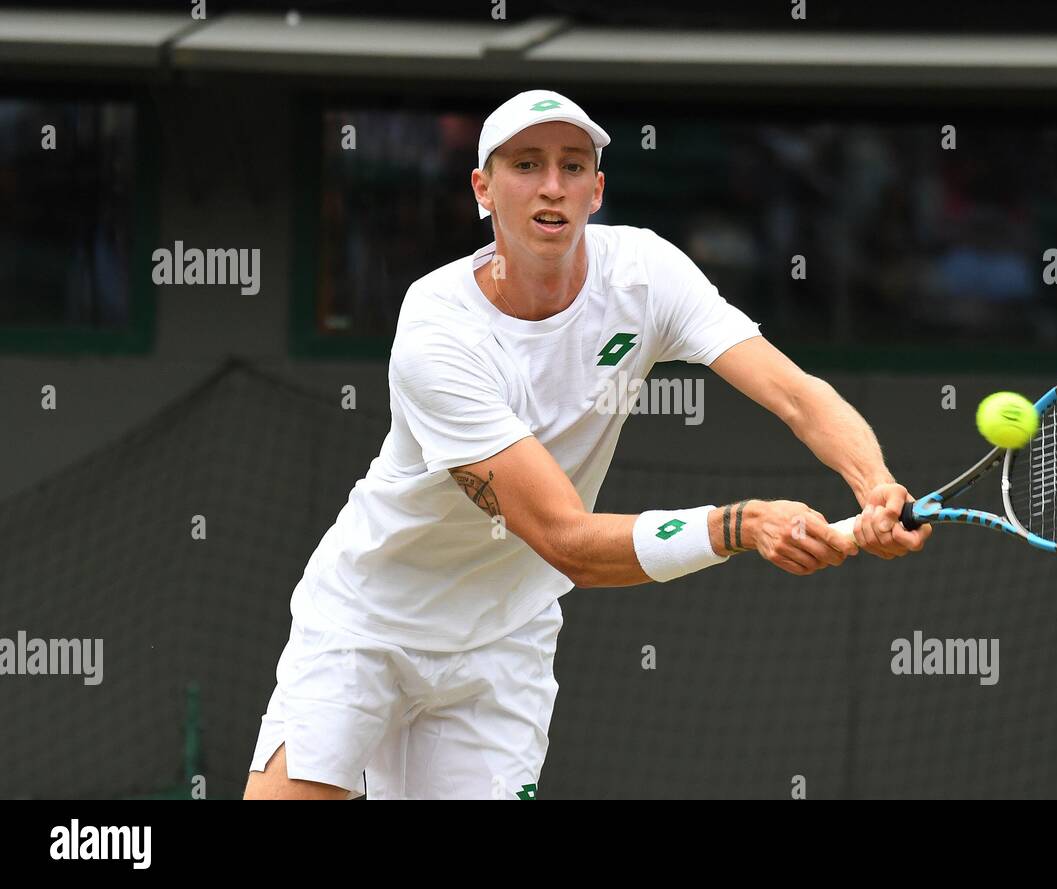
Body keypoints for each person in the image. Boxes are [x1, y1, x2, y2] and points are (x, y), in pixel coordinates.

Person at [244, 89, 930, 800]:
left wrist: (874, 484)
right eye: (526, 164)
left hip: (502, 643)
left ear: (597, 190)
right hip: (367, 625)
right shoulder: (437, 329)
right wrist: (741, 524)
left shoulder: (645, 274)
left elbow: (794, 391)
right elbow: (565, 539)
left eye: (574, 166)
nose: (552, 185)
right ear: (483, 188)